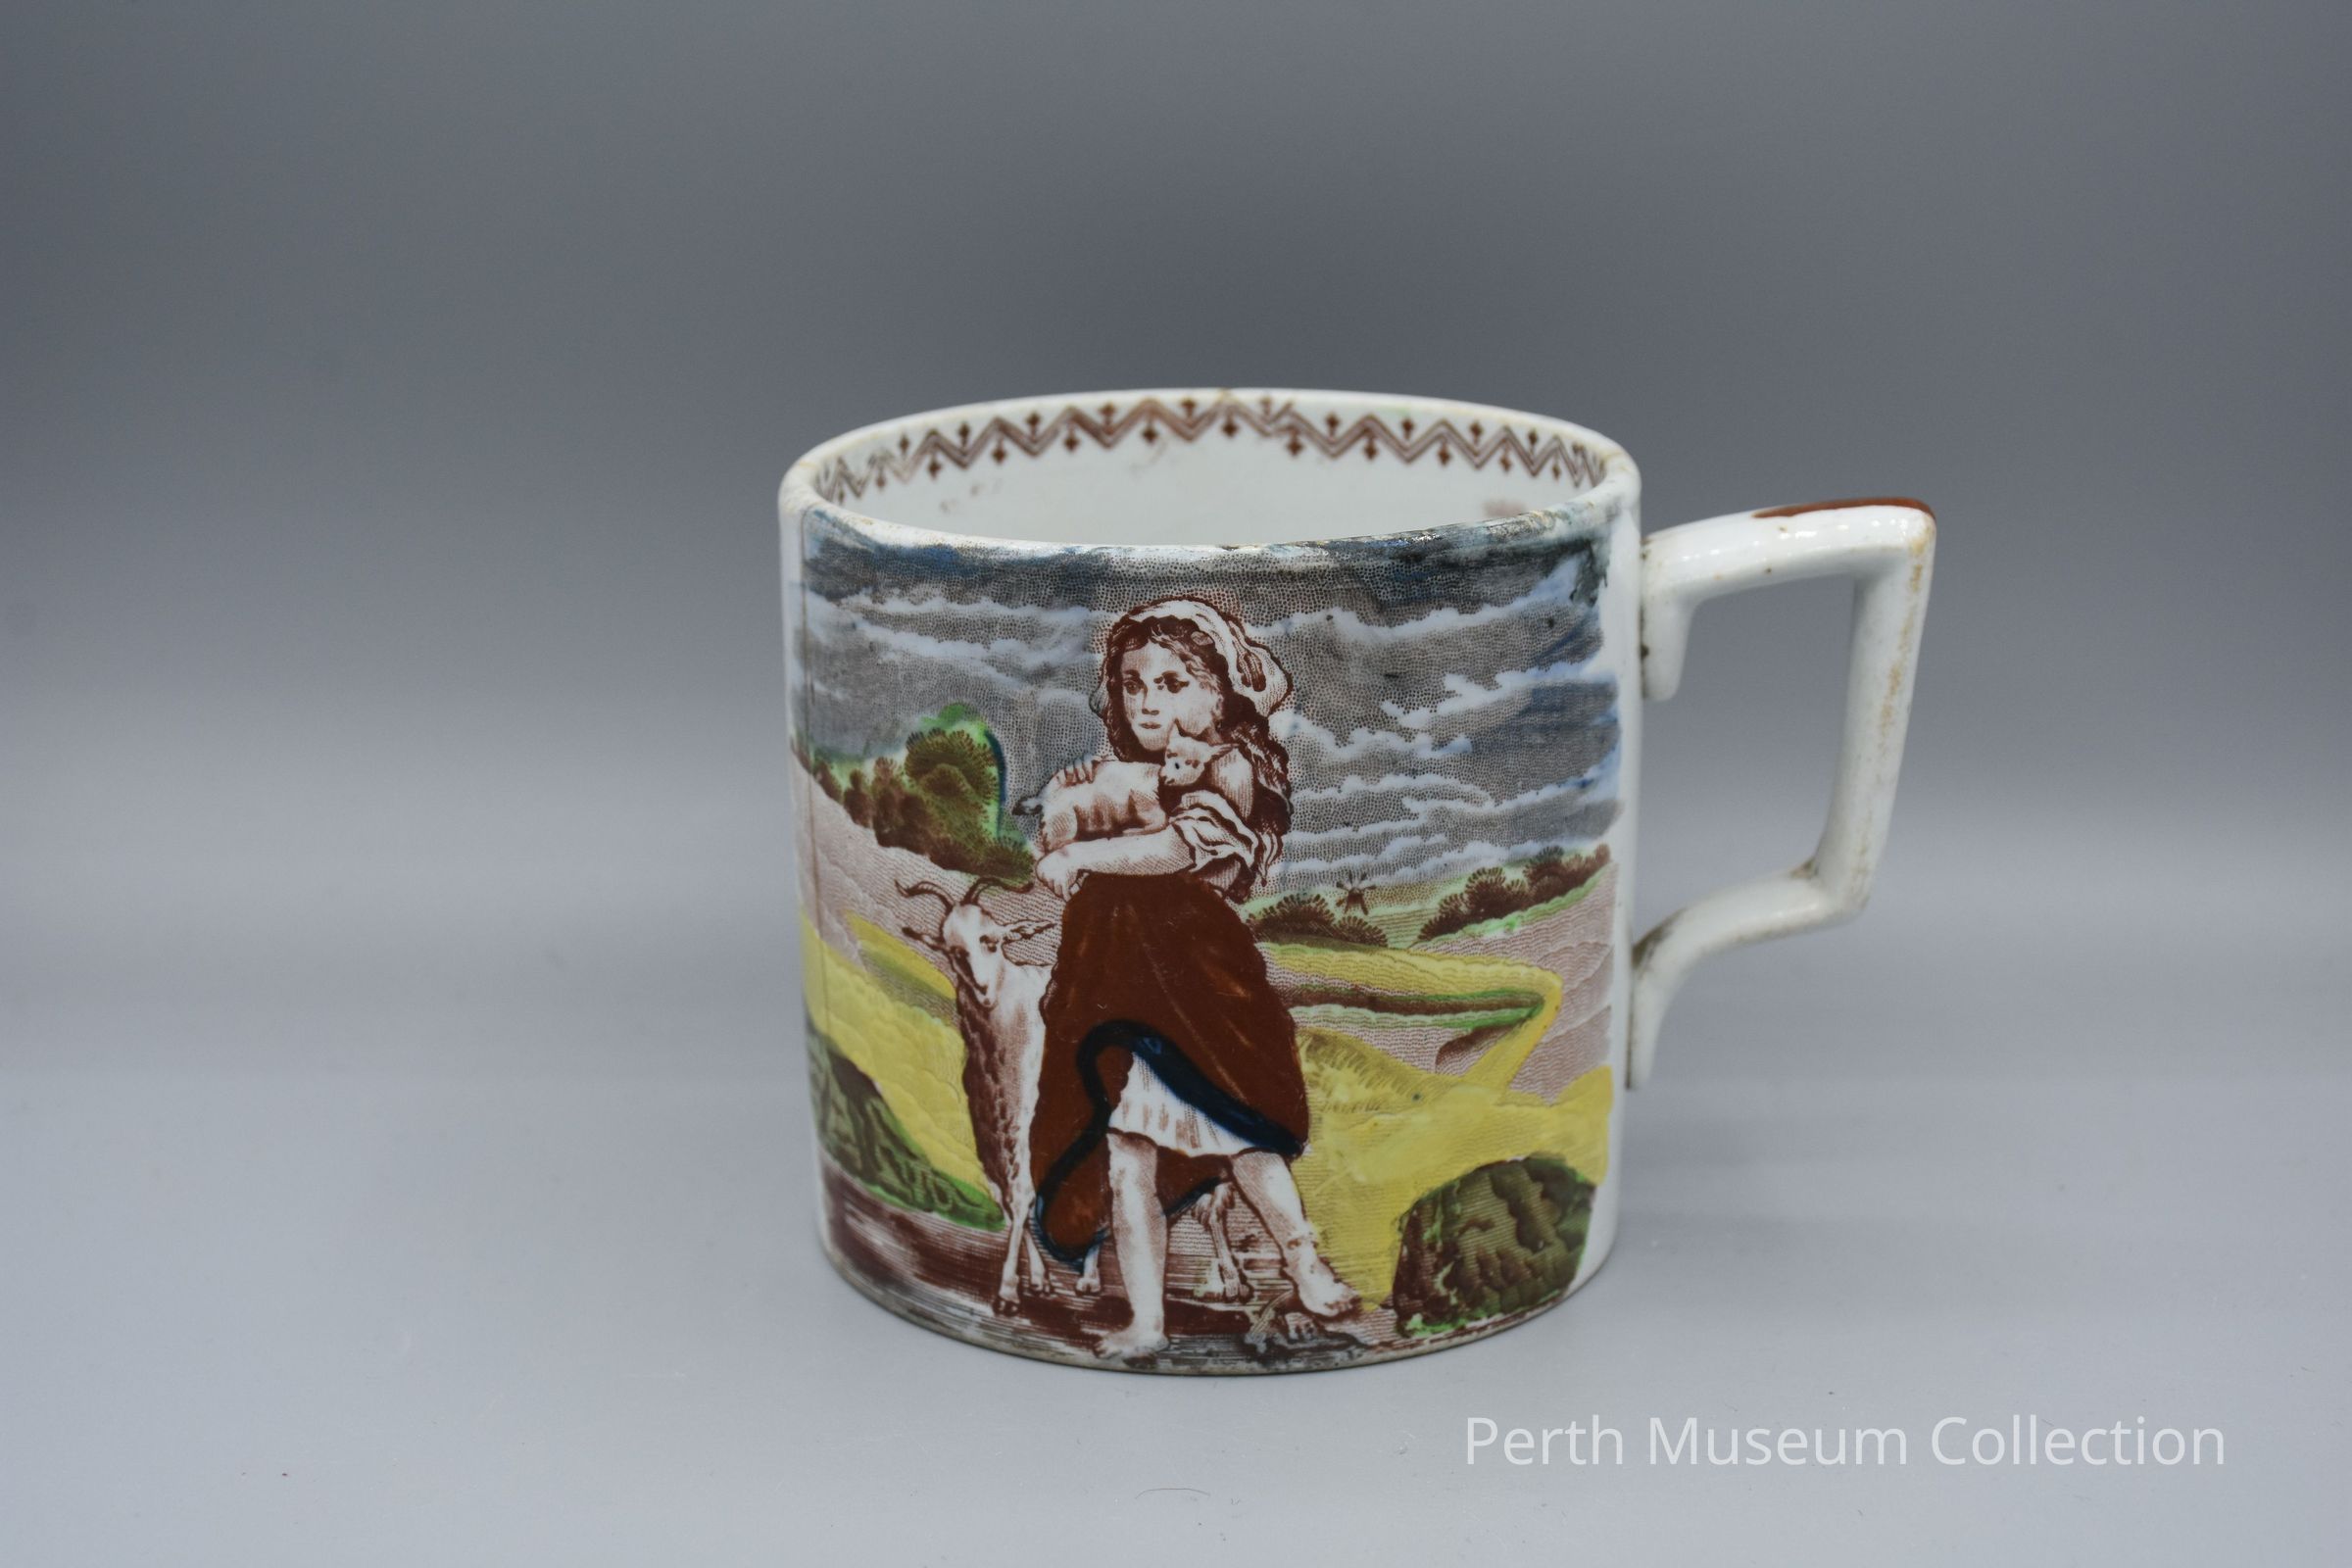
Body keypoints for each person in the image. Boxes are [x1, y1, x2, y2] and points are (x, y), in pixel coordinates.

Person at [1027, 597, 1358, 1360]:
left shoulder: (1231, 767)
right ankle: (1146, 1322)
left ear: (1221, 694)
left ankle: (1306, 1267)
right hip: (1115, 983)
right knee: (1126, 1157)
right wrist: (1068, 805)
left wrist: (1084, 850)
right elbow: (1055, 852)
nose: (1147, 703)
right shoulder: (1130, 774)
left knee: (1240, 1134)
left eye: (1173, 684)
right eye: (1133, 685)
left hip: (1193, 986)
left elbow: (1176, 850)